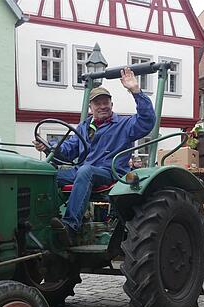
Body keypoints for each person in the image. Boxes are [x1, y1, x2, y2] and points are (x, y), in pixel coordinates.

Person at [34, 68, 155, 243]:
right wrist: (48, 147)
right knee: (46, 175)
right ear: (91, 107)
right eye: (98, 103)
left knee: (86, 171)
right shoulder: (84, 127)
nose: (102, 106)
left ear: (112, 105)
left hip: (111, 172)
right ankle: (45, 223)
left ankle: (70, 227)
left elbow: (147, 121)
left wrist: (135, 91)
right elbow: (68, 150)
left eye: (106, 102)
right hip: (83, 171)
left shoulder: (124, 124)